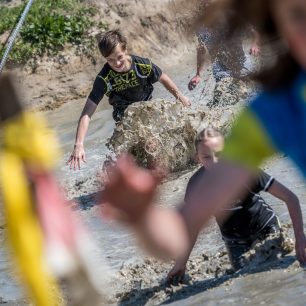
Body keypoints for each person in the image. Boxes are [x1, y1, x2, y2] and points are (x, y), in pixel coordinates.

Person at [101, 0, 306, 265]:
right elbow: (175, 235)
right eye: (296, 16)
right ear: (279, 27)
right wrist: (140, 215)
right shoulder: (270, 112)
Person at [167, 128, 302, 282]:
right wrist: (181, 263)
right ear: (197, 158)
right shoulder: (196, 186)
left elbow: (291, 198)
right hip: (234, 240)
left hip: (265, 228)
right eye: (207, 157)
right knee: (244, 280)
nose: (215, 161)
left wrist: (300, 237)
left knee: (275, 275)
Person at [67, 29, 191, 170]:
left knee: (151, 147)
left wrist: (180, 97)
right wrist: (79, 144)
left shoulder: (142, 65)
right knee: (112, 165)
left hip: (147, 112)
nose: (117, 63)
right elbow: (87, 113)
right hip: (124, 119)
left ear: (125, 49)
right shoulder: (104, 78)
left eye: (119, 57)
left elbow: (162, 77)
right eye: (110, 60)